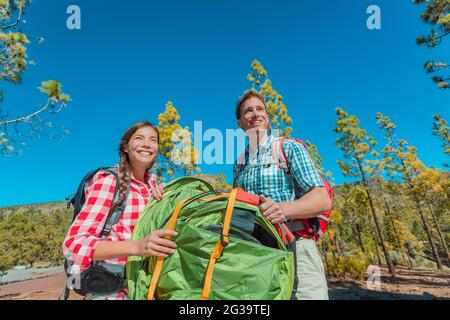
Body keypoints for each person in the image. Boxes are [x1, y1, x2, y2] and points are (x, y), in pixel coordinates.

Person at [233, 90, 332, 300]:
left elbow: (322, 199)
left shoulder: (288, 147)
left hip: (296, 246)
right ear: (240, 123)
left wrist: (283, 209)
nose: (255, 114)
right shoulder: (239, 163)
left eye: (260, 109)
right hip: (256, 254)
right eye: (248, 111)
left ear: (267, 118)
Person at [63, 121, 177, 300]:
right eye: (139, 138)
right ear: (125, 147)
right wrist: (137, 247)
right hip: (112, 290)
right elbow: (74, 245)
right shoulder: (109, 181)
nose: (147, 144)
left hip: (148, 288)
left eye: (153, 140)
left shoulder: (154, 186)